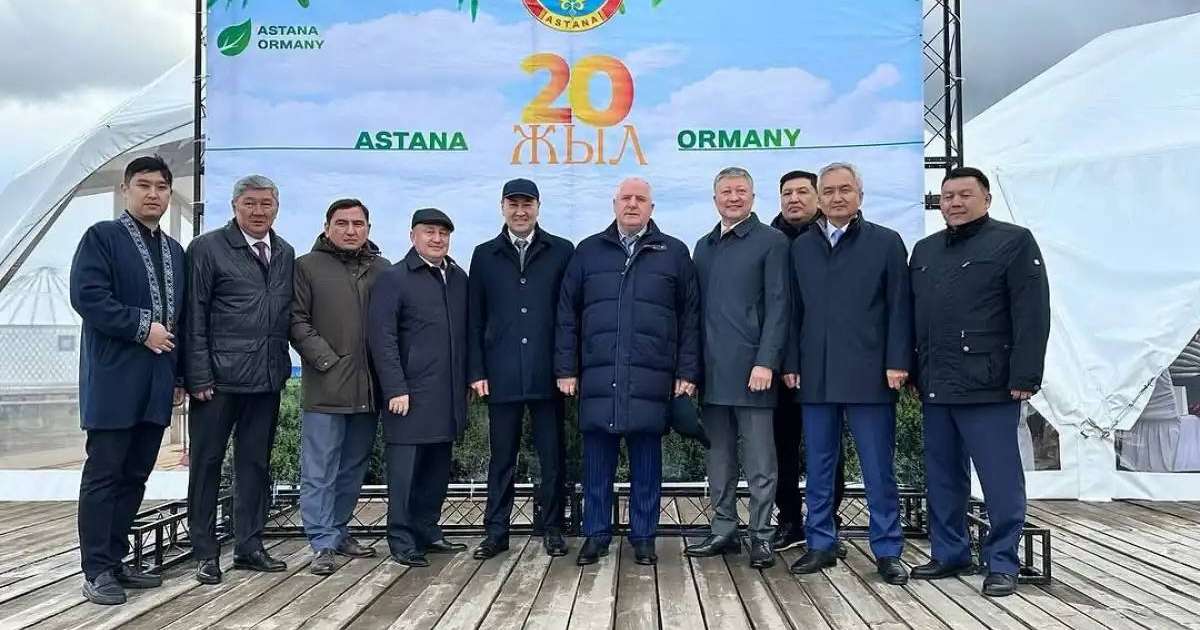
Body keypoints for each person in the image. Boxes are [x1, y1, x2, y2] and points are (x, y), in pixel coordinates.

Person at [908, 166, 1050, 597]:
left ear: (986, 199)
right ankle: (950, 553)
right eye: (948, 196)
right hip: (937, 384)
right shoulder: (925, 249)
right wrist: (915, 369)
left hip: (989, 383)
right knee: (943, 475)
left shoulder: (1013, 241)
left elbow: (1032, 312)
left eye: (965, 194)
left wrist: (1026, 373)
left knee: (999, 476)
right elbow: (916, 318)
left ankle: (1002, 561)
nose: (954, 202)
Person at [555, 177, 701, 567]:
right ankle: (596, 535)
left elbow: (690, 318)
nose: (632, 204)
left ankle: (643, 536)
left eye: (641, 199)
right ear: (614, 204)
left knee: (647, 464)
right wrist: (566, 367)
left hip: (652, 376)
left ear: (652, 207)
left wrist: (687, 370)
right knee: (597, 463)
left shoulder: (673, 252)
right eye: (626, 198)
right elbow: (567, 314)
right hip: (598, 377)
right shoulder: (588, 251)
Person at [785, 162, 912, 585]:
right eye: (830, 191)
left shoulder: (886, 243)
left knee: (877, 468)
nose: (837, 197)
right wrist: (791, 363)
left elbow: (900, 307)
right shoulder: (801, 247)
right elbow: (793, 313)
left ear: (860, 194)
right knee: (820, 466)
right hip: (816, 376)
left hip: (870, 375)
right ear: (819, 198)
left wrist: (898, 361)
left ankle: (888, 549)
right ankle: (820, 543)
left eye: (846, 190)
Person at [69, 156, 186, 605]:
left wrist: (178, 376)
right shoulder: (102, 237)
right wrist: (143, 327)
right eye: (144, 185)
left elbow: (182, 319)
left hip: (156, 382)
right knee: (104, 474)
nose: (153, 194)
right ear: (125, 190)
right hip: (113, 379)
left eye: (161, 186)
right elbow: (88, 297)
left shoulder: (176, 251)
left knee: (136, 474)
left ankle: (117, 560)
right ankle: (96, 569)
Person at [185, 175, 295, 584]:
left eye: (266, 203)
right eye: (250, 203)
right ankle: (204, 551)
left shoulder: (284, 252)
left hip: (265, 380)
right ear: (234, 206)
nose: (259, 211)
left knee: (255, 466)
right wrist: (197, 375)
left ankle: (249, 545)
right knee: (207, 465)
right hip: (217, 382)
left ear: (276, 207)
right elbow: (193, 315)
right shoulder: (207, 248)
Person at [686, 167, 789, 569]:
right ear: (715, 199)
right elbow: (695, 313)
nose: (733, 197)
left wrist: (767, 361)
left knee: (761, 462)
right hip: (712, 374)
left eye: (740, 191)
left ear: (752, 196)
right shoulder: (703, 246)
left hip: (754, 374)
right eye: (726, 191)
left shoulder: (772, 242)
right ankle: (724, 529)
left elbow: (780, 306)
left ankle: (761, 535)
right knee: (720, 459)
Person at [468, 179, 574, 560]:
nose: (520, 211)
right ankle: (496, 532)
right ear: (502, 207)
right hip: (501, 375)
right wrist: (477, 370)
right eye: (513, 204)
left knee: (552, 458)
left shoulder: (562, 251)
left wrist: (567, 367)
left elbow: (568, 316)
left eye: (526, 203)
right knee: (502, 458)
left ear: (538, 206)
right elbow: (474, 320)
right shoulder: (484, 255)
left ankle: (553, 528)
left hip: (549, 376)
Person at [290, 198, 389, 575]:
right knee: (319, 469)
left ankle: (340, 530)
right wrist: (327, 360)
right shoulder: (306, 267)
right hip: (326, 389)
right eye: (342, 223)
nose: (351, 230)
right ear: (327, 225)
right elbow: (296, 320)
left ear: (368, 228)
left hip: (368, 392)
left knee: (352, 467)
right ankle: (321, 542)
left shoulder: (383, 269)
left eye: (358, 224)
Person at [369, 208, 469, 568]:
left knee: (437, 469)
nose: (437, 239)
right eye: (429, 232)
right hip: (407, 396)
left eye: (443, 233)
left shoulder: (458, 278)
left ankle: (428, 529)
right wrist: (395, 387)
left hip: (448, 394)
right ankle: (401, 538)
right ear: (413, 235)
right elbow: (382, 338)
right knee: (405, 472)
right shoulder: (394, 278)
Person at [769, 170, 847, 553]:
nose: (794, 199)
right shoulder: (767, 240)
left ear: (818, 198)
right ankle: (788, 520)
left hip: (825, 364)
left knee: (828, 448)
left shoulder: (836, 240)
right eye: (787, 193)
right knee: (781, 446)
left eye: (803, 192)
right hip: (776, 365)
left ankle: (827, 521)